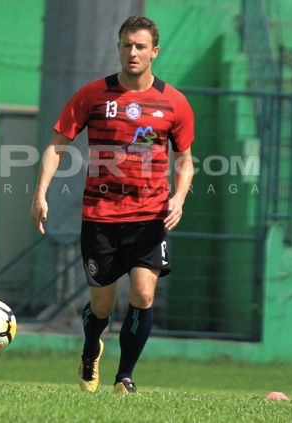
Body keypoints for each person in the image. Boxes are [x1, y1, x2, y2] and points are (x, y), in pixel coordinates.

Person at [30, 15, 194, 393]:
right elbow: (57, 146)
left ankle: (125, 377)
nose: (132, 52)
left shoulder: (174, 103)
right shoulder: (92, 96)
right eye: (126, 45)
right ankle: (91, 348)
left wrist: (180, 196)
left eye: (140, 46)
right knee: (102, 305)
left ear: (155, 52)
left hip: (150, 217)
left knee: (143, 294)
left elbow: (185, 159)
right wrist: (41, 193)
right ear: (118, 47)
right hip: (101, 217)